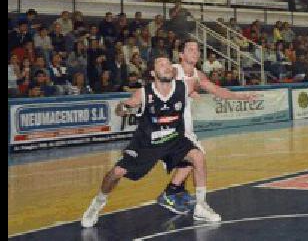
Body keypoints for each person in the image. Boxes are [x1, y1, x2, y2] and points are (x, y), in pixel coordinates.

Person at [80, 57, 245, 227]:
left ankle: (201, 206)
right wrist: (124, 108)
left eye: (168, 64)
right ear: (153, 73)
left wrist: (240, 95)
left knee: (198, 157)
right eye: (161, 64)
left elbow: (211, 87)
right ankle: (97, 204)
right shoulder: (144, 93)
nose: (167, 67)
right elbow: (123, 107)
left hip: (174, 140)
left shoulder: (185, 86)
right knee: (116, 173)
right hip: (146, 144)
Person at [171, 40, 260, 221]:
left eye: (197, 49)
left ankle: (173, 191)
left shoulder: (198, 75)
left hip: (185, 129)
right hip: (169, 128)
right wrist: (182, 89)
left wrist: (240, 96)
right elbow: (158, 83)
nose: (195, 52)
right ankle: (196, 203)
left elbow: (218, 91)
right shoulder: (173, 71)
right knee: (198, 158)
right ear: (181, 55)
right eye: (190, 49)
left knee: (194, 160)